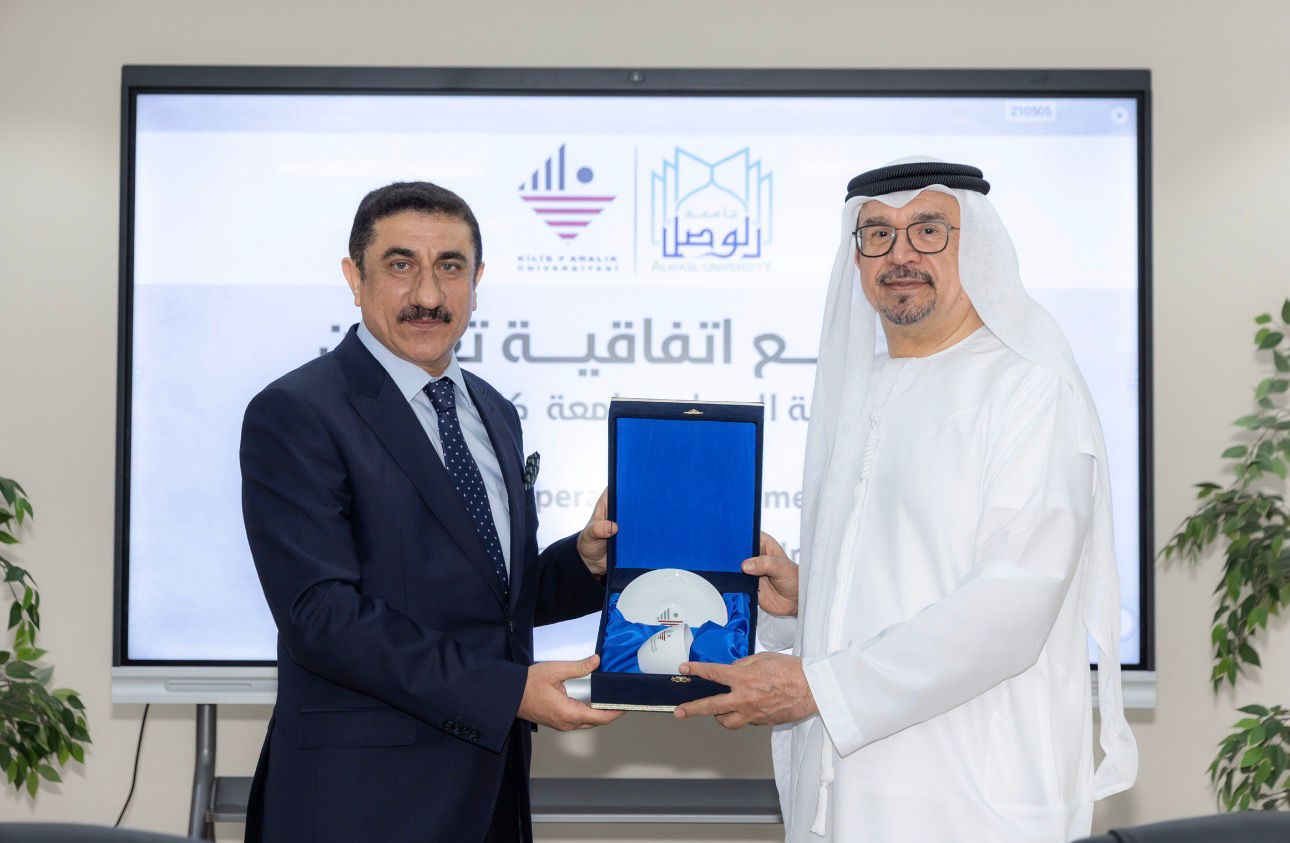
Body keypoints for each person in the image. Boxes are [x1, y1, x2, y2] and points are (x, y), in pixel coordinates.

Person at [674, 159, 1137, 841]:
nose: (900, 255)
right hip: (843, 794)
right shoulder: (860, 389)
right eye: (877, 234)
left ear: (974, 245)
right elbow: (905, 572)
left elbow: (1010, 605)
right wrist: (806, 597)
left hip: (970, 800)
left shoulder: (1030, 388)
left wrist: (818, 687)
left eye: (928, 230)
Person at [239, 181, 621, 843]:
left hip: (491, 797)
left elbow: (490, 601)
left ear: (477, 280)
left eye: (450, 266)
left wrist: (585, 563)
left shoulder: (493, 411)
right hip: (360, 807)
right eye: (400, 265)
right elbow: (321, 616)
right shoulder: (298, 411)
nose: (427, 294)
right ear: (353, 278)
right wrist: (507, 692)